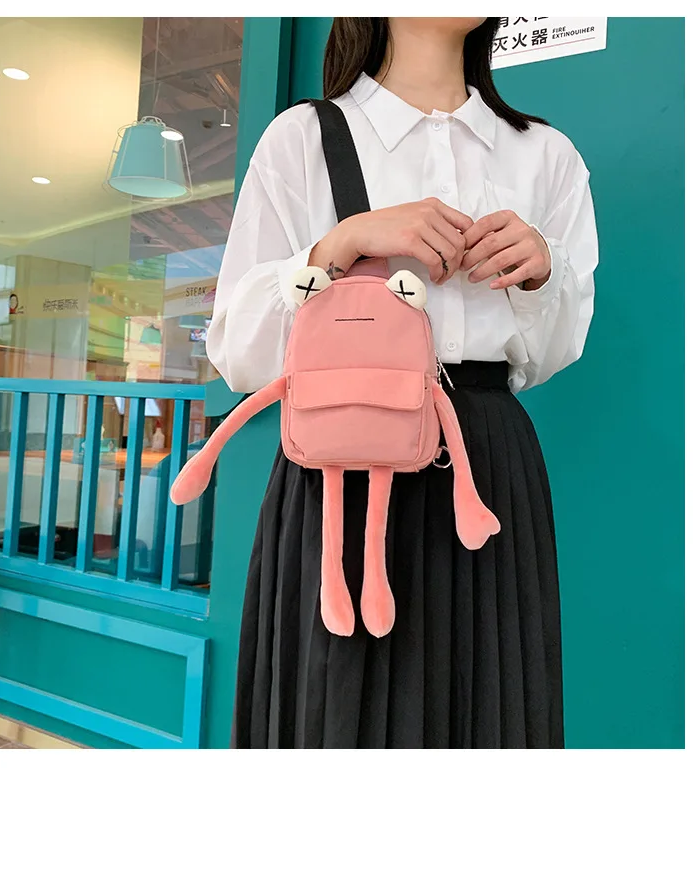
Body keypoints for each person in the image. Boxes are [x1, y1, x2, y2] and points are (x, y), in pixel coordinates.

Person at [206, 17, 599, 748]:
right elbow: (237, 348)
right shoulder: (302, 139)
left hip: (485, 463)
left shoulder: (546, 155)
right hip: (342, 467)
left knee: (487, 714)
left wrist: (540, 272)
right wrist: (340, 244)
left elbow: (553, 352)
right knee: (334, 719)